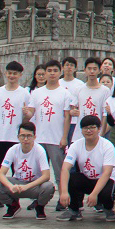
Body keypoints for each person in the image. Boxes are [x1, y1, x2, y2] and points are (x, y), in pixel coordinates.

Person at [25, 59, 71, 207]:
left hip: (56, 138)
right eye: (49, 71)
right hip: (39, 139)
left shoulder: (65, 93)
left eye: (55, 71)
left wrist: (64, 137)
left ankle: (62, 198)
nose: (52, 74)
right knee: (38, 172)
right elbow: (31, 112)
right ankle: (38, 199)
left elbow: (67, 117)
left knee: (59, 171)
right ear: (45, 73)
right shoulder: (37, 92)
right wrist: (27, 112)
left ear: (60, 73)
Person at [0, 61, 30, 204]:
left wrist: (26, 114)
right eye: (9, 73)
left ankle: (15, 196)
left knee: (16, 170)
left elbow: (29, 116)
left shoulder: (24, 93)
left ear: (20, 75)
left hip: (16, 138)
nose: (11, 76)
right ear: (5, 73)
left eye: (15, 73)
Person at [0, 122, 55, 218]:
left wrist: (27, 186)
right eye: (22, 136)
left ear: (34, 137)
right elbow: (1, 174)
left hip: (34, 185)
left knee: (48, 187)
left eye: (29, 136)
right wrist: (11, 186)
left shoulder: (39, 150)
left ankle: (39, 206)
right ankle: (12, 205)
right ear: (18, 137)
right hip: (18, 183)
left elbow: (46, 175)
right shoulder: (13, 149)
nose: (26, 139)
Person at [59, 115, 115, 221]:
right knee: (72, 178)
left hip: (105, 180)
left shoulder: (107, 146)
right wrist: (63, 192)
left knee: (106, 192)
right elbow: (65, 168)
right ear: (81, 130)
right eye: (85, 128)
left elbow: (107, 173)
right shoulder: (76, 145)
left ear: (99, 129)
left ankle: (108, 209)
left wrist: (94, 194)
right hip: (88, 178)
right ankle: (74, 210)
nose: (89, 130)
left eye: (92, 127)